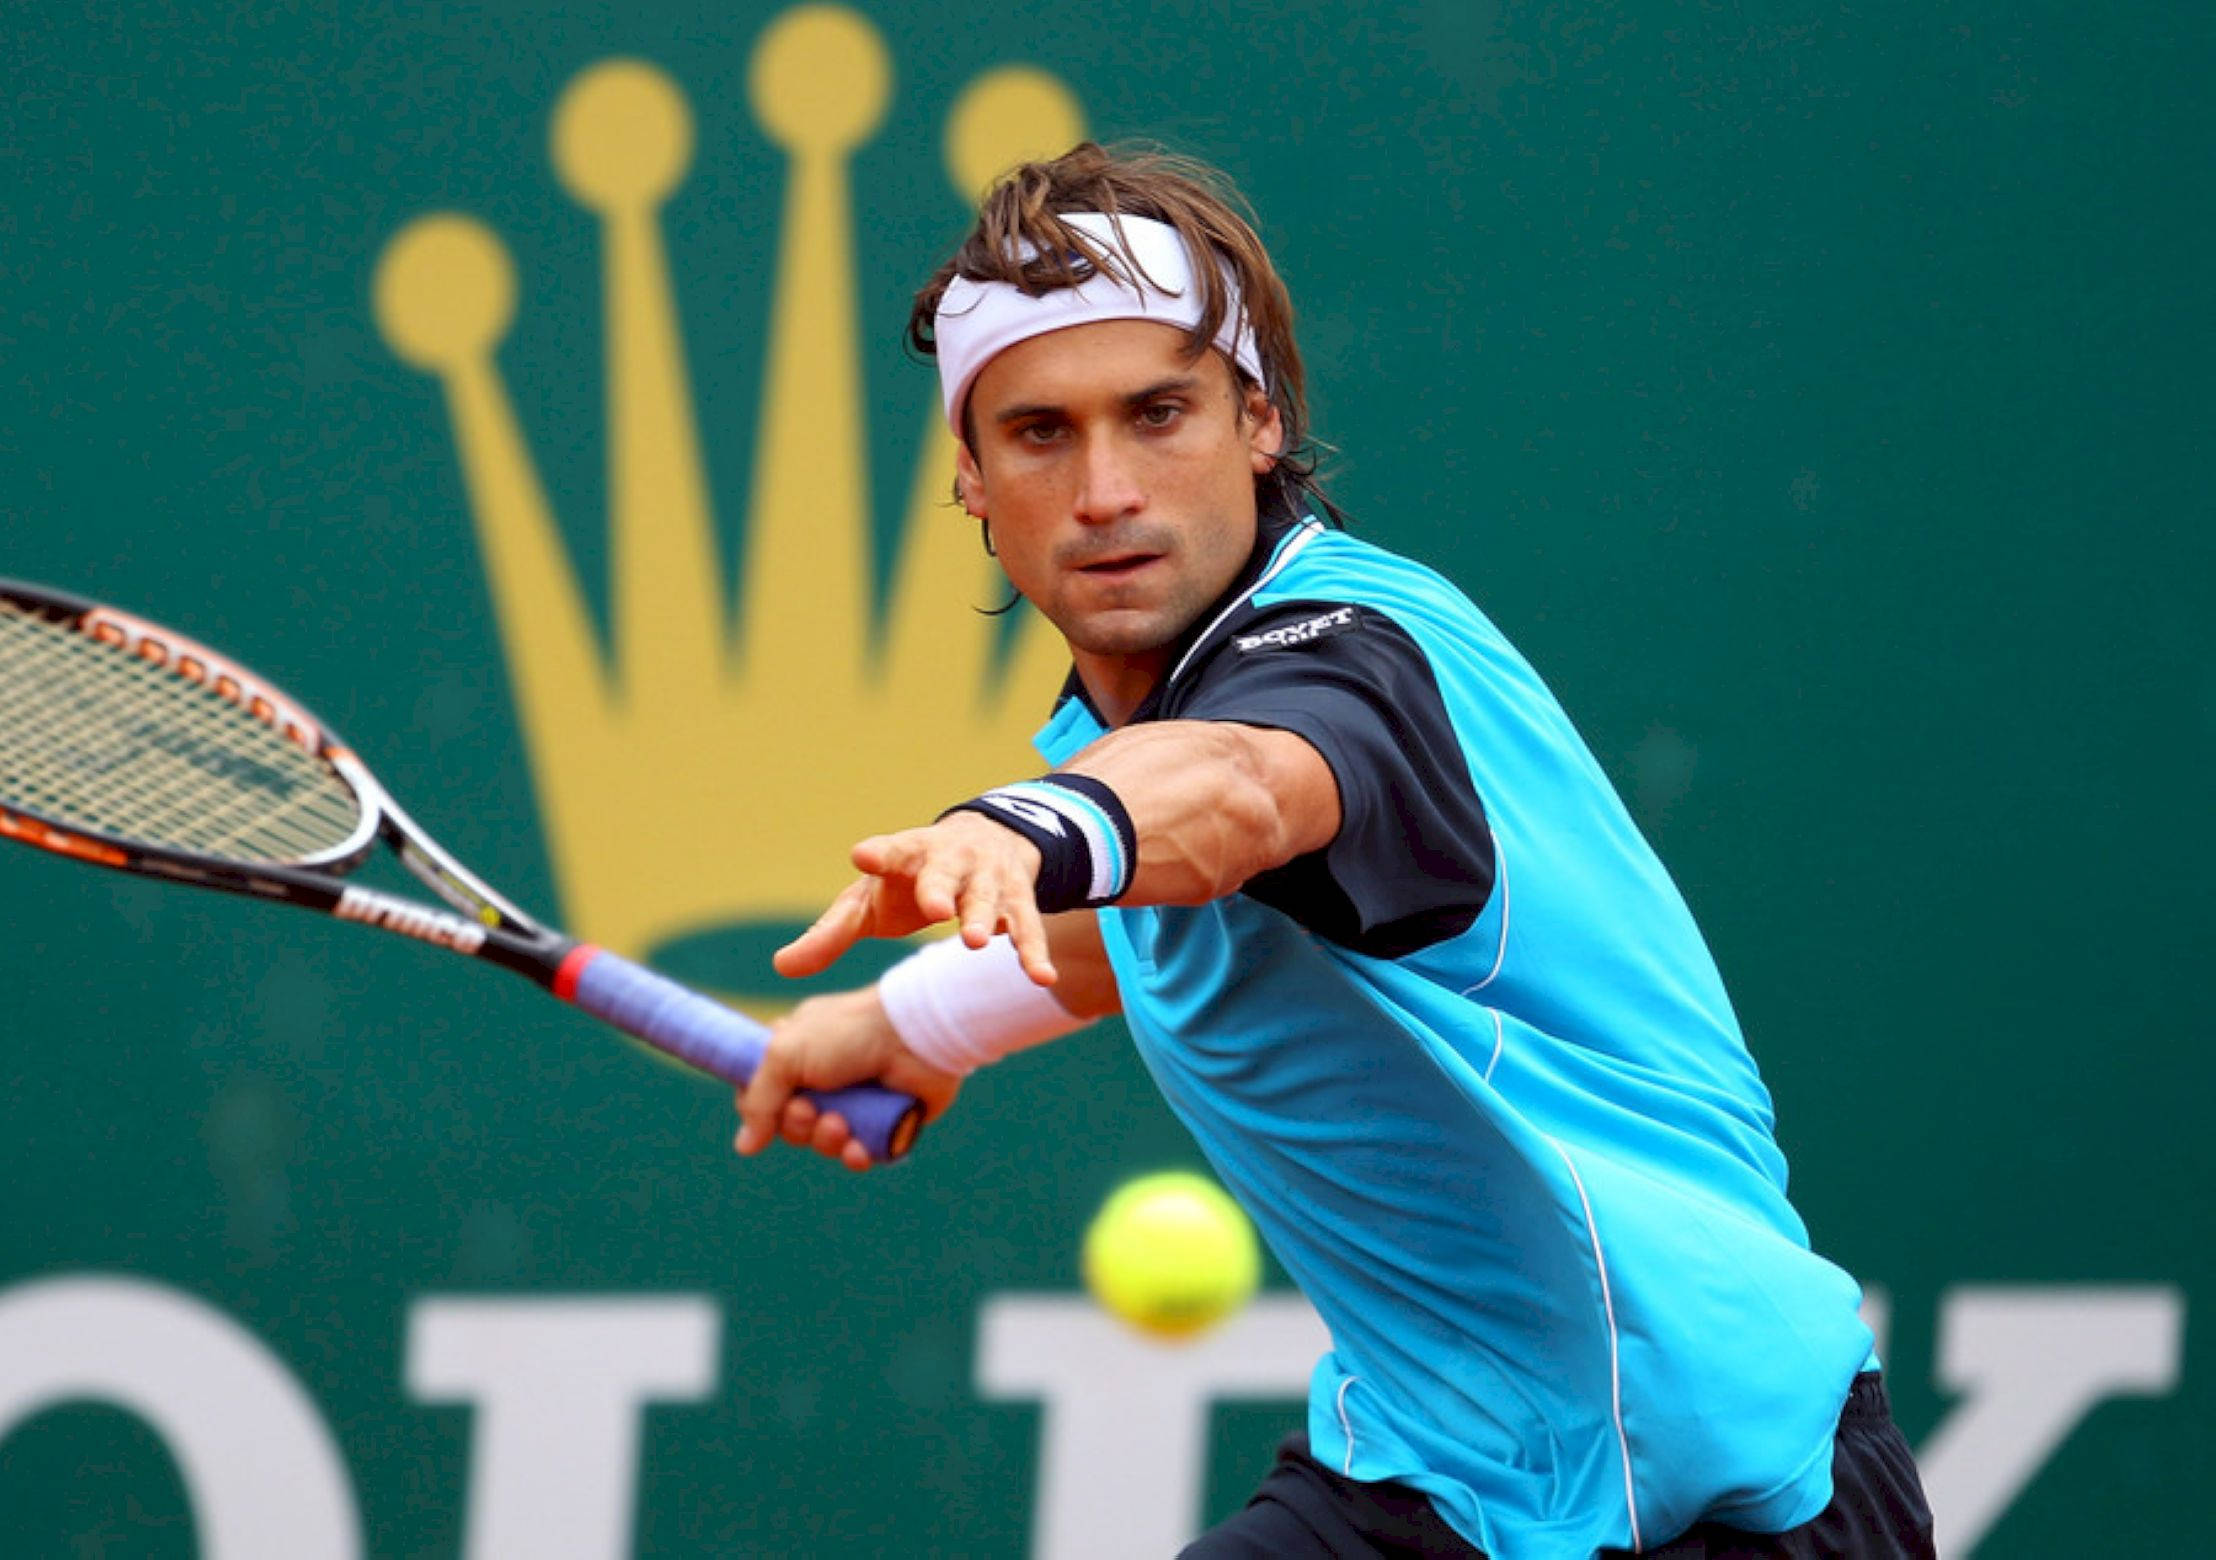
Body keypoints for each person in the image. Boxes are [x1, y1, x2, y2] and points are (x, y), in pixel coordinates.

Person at [732, 142, 1934, 1558]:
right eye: (1041, 433)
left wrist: (1039, 825)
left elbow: (1239, 796)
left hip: (1711, 1479)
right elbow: (1172, 916)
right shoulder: (1145, 707)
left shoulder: (1352, 657)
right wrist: (922, 1021)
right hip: (1438, 1465)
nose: (1106, 489)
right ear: (972, 479)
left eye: (1159, 414)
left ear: (1259, 420)